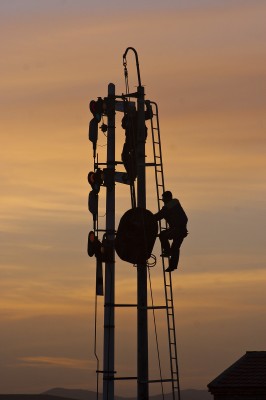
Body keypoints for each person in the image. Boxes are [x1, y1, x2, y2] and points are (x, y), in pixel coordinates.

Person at [154, 191, 188, 272]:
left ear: (168, 198)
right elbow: (159, 215)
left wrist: (148, 218)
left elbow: (159, 215)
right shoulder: (170, 206)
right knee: (175, 248)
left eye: (164, 198)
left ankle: (167, 251)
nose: (163, 200)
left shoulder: (173, 203)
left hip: (178, 229)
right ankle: (172, 266)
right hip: (179, 230)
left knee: (163, 235)